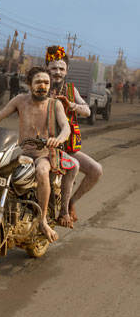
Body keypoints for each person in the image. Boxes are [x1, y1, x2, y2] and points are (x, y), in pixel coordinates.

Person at [0, 66, 79, 243]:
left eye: (46, 82)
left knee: (42, 172)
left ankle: (43, 220)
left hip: (45, 153)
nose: (42, 86)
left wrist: (58, 139)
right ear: (30, 84)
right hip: (20, 152)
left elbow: (66, 127)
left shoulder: (55, 104)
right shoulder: (20, 100)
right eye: (38, 82)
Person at [46, 45, 103, 223]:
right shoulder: (40, 86)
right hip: (43, 146)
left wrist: (71, 105)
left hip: (67, 147)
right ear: (47, 68)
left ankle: (70, 202)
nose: (57, 72)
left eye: (61, 68)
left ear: (67, 70)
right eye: (54, 68)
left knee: (96, 170)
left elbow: (86, 110)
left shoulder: (71, 90)